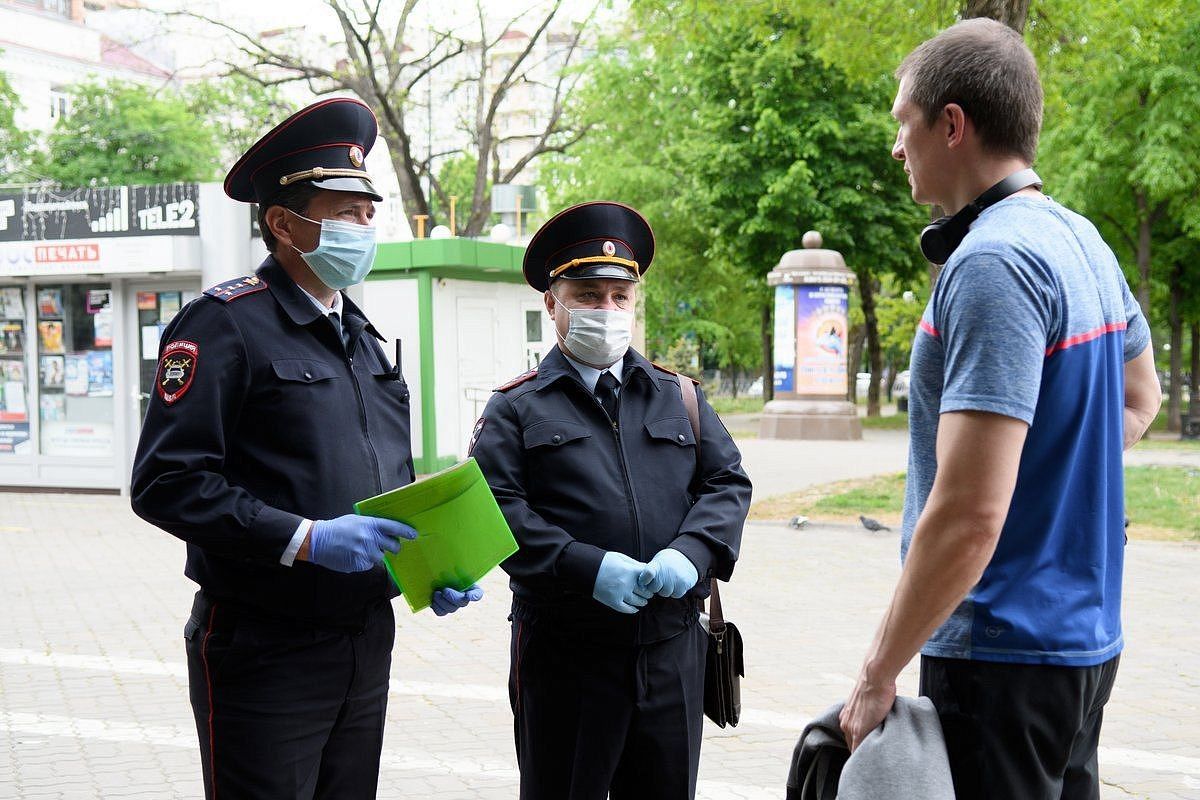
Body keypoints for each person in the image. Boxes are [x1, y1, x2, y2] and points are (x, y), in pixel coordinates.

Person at [838, 19, 1162, 800]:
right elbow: (1140, 396)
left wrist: (879, 672)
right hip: (1083, 646)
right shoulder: (1080, 239)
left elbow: (969, 514)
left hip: (998, 654)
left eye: (902, 125)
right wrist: (1043, 485)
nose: (896, 148)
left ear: (951, 124)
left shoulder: (993, 262)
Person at [130, 97, 483, 800]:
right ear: (284, 223)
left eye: (366, 212)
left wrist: (429, 565)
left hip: (362, 636)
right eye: (344, 212)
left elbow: (384, 479)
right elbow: (166, 482)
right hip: (265, 645)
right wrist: (304, 538)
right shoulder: (225, 326)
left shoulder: (363, 337)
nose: (363, 227)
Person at [469, 201, 753, 800]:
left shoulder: (678, 396)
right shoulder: (515, 408)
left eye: (619, 298)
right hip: (568, 654)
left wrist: (694, 550)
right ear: (553, 304)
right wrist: (586, 566)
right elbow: (498, 510)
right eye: (588, 295)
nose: (607, 310)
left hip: (673, 650)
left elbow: (726, 482)